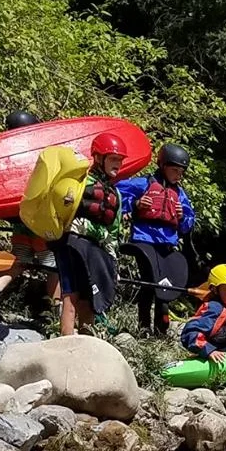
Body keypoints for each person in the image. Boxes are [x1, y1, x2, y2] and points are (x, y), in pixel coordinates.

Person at [116, 141, 195, 335]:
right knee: (150, 282)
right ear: (163, 165)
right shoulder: (143, 184)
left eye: (181, 172)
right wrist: (136, 204)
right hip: (144, 241)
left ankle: (161, 329)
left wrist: (182, 217)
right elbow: (116, 195)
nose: (178, 175)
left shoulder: (179, 194)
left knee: (165, 285)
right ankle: (143, 327)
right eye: (175, 170)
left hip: (166, 244)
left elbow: (188, 223)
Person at [51, 133, 126, 336]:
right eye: (113, 159)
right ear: (99, 158)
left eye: (120, 160)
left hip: (95, 247)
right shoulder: (80, 181)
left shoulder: (115, 193)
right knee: (71, 295)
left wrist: (112, 258)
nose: (117, 164)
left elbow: (114, 230)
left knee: (89, 298)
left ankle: (86, 343)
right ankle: (66, 341)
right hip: (72, 241)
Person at [0, 111, 48, 319]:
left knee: (18, 262)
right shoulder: (36, 157)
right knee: (53, 266)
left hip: (19, 223)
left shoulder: (8, 159)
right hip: (40, 224)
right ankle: (57, 310)